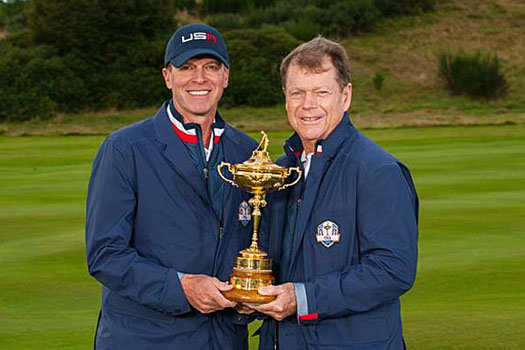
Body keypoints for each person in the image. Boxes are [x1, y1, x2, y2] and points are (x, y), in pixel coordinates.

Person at [85, 23, 258, 350]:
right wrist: (181, 287)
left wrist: (253, 296)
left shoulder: (248, 153)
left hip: (224, 339)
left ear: (226, 76)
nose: (199, 78)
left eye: (210, 67)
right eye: (187, 68)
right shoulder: (125, 148)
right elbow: (105, 254)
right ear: (168, 76)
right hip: (145, 339)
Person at [251, 36, 419, 349]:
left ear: (345, 96)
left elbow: (393, 270)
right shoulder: (280, 171)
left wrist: (303, 299)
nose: (308, 104)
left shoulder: (377, 171)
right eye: (297, 93)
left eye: (321, 92)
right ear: (285, 99)